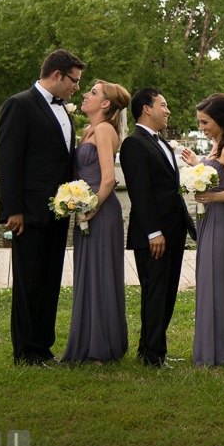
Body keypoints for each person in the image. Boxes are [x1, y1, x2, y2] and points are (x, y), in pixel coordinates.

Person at [0, 49, 85, 367]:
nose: (77, 87)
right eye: (74, 81)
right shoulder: (19, 105)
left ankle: (44, 346)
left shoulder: (65, 111)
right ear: (57, 75)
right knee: (28, 282)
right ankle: (26, 351)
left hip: (58, 211)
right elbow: (8, 162)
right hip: (29, 212)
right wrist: (13, 210)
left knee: (50, 280)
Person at [119, 88, 194, 369]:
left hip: (173, 231)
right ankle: (152, 356)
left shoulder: (160, 142)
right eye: (163, 105)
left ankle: (154, 349)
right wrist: (153, 232)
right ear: (146, 109)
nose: (168, 111)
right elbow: (140, 192)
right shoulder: (134, 143)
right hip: (154, 235)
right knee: (155, 293)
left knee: (167, 293)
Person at [62, 80, 131, 364]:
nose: (86, 95)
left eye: (93, 92)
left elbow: (107, 179)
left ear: (105, 104)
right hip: (86, 209)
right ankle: (88, 341)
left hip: (101, 212)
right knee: (87, 272)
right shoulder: (88, 130)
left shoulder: (103, 130)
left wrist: (91, 208)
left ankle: (101, 347)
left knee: (101, 272)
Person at [180, 94, 224, 367]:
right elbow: (217, 178)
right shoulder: (216, 147)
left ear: (219, 120)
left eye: (205, 122)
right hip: (209, 219)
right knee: (208, 281)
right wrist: (198, 166)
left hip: (221, 219)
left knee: (219, 283)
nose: (202, 127)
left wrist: (210, 197)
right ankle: (211, 348)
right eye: (200, 122)